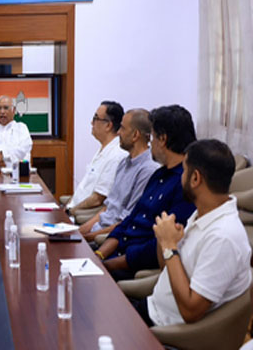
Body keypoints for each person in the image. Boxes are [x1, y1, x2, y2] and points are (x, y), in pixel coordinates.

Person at [135, 139, 251, 327]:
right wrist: (164, 240)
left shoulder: (223, 237)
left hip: (162, 329)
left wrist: (169, 246)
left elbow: (190, 311)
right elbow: (167, 269)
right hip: (152, 309)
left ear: (195, 178)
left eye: (184, 170)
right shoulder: (203, 213)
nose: (181, 177)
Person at [96, 105, 197, 280]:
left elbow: (159, 244)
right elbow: (128, 221)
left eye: (152, 138)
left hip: (132, 267)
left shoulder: (184, 185)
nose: (150, 144)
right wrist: (99, 255)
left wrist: (107, 265)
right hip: (115, 255)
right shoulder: (158, 175)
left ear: (163, 139)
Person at [79, 109, 158, 242]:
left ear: (135, 135)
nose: (118, 132)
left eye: (122, 128)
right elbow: (107, 209)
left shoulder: (147, 170)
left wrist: (88, 237)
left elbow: (127, 222)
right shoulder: (123, 163)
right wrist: (79, 232)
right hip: (97, 232)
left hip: (108, 239)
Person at [66, 101, 127, 214]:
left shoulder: (116, 155)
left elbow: (97, 199)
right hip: (72, 210)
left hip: (80, 215)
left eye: (95, 118)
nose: (91, 122)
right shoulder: (104, 149)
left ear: (108, 125)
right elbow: (84, 189)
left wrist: (70, 211)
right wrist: (67, 206)